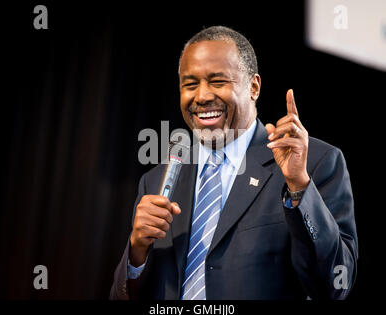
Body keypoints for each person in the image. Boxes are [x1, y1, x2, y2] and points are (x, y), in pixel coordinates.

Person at [109, 26, 358, 300]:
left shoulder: (314, 164)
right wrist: (137, 251)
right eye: (190, 84)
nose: (201, 96)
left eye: (217, 81)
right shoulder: (156, 181)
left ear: (253, 87)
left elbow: (335, 286)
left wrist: (299, 188)